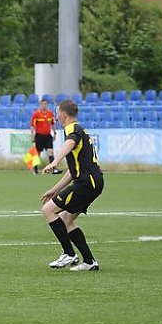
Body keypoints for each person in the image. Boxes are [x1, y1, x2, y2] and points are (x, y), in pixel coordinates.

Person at [40, 99, 104, 272]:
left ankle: (69, 254)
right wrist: (55, 189)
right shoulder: (78, 129)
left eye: (57, 112)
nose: (56, 115)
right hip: (92, 181)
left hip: (86, 183)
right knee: (65, 219)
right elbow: (72, 170)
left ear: (63, 114)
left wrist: (54, 162)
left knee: (48, 210)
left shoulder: (72, 129)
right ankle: (90, 262)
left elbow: (70, 143)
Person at [30, 98, 61, 175]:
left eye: (46, 104)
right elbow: (32, 126)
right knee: (38, 153)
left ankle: (53, 169)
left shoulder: (50, 114)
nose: (44, 106)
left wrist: (54, 133)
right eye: (43, 104)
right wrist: (32, 135)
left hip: (47, 136)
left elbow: (53, 124)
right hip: (39, 136)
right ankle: (35, 169)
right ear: (40, 105)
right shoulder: (36, 114)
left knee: (50, 152)